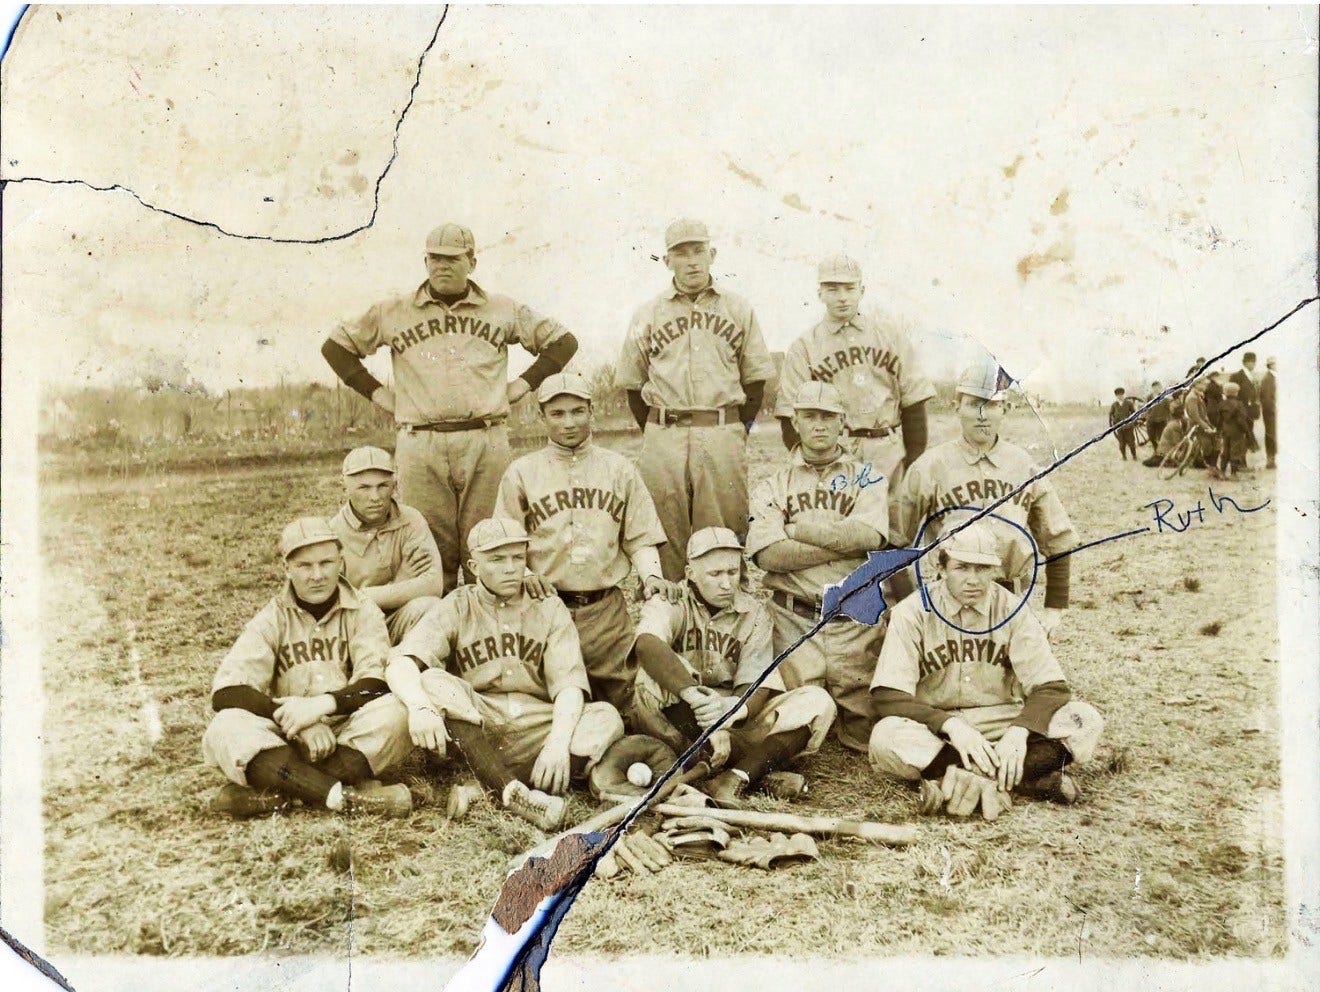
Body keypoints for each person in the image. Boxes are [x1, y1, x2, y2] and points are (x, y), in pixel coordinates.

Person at [320, 222, 579, 591]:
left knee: (490, 544)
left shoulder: (501, 309)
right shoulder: (394, 310)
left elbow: (563, 341)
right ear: (425, 261)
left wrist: (523, 385)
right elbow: (335, 347)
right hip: (420, 442)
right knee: (429, 552)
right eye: (434, 259)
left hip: (485, 440)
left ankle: (486, 637)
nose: (441, 266)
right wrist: (378, 394)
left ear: (471, 262)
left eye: (452, 259)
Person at [385, 518, 624, 831]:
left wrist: (556, 743)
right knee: (432, 680)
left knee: (605, 717)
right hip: (478, 723)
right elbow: (402, 661)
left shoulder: (548, 607)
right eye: (497, 560)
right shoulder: (458, 604)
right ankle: (511, 789)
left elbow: (569, 686)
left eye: (517, 558)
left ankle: (488, 789)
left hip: (534, 723)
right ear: (473, 566)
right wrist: (419, 707)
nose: (511, 568)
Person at [868, 523, 1105, 816]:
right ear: (940, 567)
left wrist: (1020, 732)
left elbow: (1052, 686)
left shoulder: (1012, 609)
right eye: (962, 567)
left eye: (982, 569)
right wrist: (951, 726)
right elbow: (887, 695)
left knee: (1085, 720)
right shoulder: (912, 611)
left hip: (1002, 720)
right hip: (939, 729)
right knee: (885, 737)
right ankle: (1026, 780)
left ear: (995, 571)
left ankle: (964, 779)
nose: (973, 580)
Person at [202, 518, 413, 819]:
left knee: (398, 712)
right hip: (285, 735)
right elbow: (226, 692)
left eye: (326, 563)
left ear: (341, 562)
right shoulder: (272, 617)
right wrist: (297, 721)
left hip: (346, 731)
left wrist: (321, 707)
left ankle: (283, 789)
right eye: (304, 566)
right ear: (287, 568)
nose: (317, 575)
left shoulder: (363, 610)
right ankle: (344, 797)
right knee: (226, 725)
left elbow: (375, 683)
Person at [493, 371, 674, 717]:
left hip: (605, 609)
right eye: (557, 414)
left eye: (577, 411)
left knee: (628, 702)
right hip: (543, 606)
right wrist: (527, 572)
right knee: (549, 703)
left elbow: (640, 537)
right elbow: (506, 542)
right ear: (541, 415)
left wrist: (651, 577)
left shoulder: (618, 468)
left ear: (592, 411)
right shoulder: (521, 472)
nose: (569, 422)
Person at [614, 218, 776, 580]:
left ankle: (725, 621)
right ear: (666, 260)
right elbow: (632, 384)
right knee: (663, 532)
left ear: (712, 254)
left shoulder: (738, 309)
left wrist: (733, 430)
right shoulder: (648, 314)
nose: (691, 261)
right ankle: (671, 613)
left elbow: (755, 382)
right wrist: (657, 430)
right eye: (680, 252)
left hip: (720, 430)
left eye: (698, 251)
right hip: (663, 434)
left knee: (723, 534)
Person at [629, 527, 836, 807]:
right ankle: (757, 769)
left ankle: (734, 776)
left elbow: (755, 683)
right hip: (683, 717)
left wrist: (730, 714)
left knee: (817, 701)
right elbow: (646, 644)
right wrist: (699, 703)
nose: (726, 584)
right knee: (649, 679)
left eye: (732, 572)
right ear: (690, 574)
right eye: (715, 575)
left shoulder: (754, 613)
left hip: (733, 719)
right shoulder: (671, 600)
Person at [746, 381, 891, 751]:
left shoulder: (868, 477)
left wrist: (797, 530)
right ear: (795, 420)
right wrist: (841, 546)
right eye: (810, 415)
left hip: (853, 625)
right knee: (791, 723)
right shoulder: (774, 484)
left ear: (842, 421)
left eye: (828, 416)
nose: (819, 424)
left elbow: (870, 537)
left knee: (869, 734)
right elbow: (768, 555)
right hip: (793, 624)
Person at [894, 359, 1079, 638]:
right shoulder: (930, 466)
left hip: (1010, 599)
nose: (982, 415)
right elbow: (893, 542)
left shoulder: (1023, 465)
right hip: (947, 601)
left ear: (1005, 409)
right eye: (973, 404)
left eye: (991, 405)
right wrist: (911, 601)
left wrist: (1055, 606)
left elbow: (1058, 538)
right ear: (956, 407)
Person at [774, 254, 934, 486]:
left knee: (893, 521)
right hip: (833, 454)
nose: (842, 298)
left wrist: (912, 461)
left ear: (862, 290)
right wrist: (813, 464)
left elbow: (914, 404)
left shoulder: (891, 337)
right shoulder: (805, 346)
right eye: (833, 289)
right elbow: (791, 416)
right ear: (820, 293)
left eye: (849, 288)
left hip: (887, 450)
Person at [327, 445, 444, 644]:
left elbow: (433, 586)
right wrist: (401, 582)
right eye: (364, 487)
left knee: (432, 608)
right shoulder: (331, 534)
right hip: (355, 629)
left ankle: (408, 663)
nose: (375, 497)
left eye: (383, 486)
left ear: (394, 485)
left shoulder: (411, 520)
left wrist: (361, 595)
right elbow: (335, 604)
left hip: (400, 619)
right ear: (344, 487)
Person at [1182, 378, 1220, 476]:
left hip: (1202, 423)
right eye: (1203, 384)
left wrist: (1209, 425)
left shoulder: (1197, 395)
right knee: (1209, 446)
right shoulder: (1192, 397)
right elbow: (1195, 417)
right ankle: (1212, 468)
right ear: (1196, 384)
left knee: (1216, 442)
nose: (1205, 386)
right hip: (1197, 426)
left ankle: (1212, 467)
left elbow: (1202, 414)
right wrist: (1206, 427)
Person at [1217, 382, 1254, 478]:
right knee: (1235, 452)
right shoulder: (1239, 404)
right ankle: (1233, 474)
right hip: (1237, 432)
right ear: (1236, 393)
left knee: (1225, 451)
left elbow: (1219, 420)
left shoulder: (1221, 404)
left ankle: (1222, 472)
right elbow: (1241, 420)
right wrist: (1247, 431)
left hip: (1226, 431)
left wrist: (1219, 430)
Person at [1142, 397, 1186, 467]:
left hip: (1163, 449)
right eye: (1184, 415)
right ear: (1181, 416)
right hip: (1166, 451)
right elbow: (1177, 442)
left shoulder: (1174, 423)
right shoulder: (1175, 425)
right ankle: (1166, 462)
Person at [1109, 388, 1138, 460]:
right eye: (1118, 395)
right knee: (1121, 444)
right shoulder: (1114, 405)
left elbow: (1134, 413)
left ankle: (1134, 456)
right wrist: (1113, 423)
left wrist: (1133, 422)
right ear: (1116, 396)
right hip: (1119, 427)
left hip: (1128, 427)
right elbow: (1111, 414)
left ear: (1123, 395)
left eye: (1121, 394)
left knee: (1131, 443)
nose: (1120, 396)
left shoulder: (1128, 403)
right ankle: (1124, 456)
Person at [1259, 357, 1277, 469]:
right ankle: (1270, 460)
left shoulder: (1275, 377)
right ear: (1271, 365)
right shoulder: (1268, 379)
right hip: (1271, 412)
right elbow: (1266, 398)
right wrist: (1273, 410)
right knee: (1271, 434)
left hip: (1276, 411)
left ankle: (1273, 459)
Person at [1144, 382, 1170, 454]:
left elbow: (1169, 408)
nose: (1156, 389)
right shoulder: (1149, 397)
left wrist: (1169, 419)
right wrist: (1146, 417)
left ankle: (1160, 452)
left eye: (1158, 387)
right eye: (1154, 388)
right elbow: (1146, 408)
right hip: (1151, 420)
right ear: (1152, 388)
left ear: (1160, 388)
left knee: (1161, 437)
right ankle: (1156, 449)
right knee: (1151, 437)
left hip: (1161, 420)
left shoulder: (1164, 397)